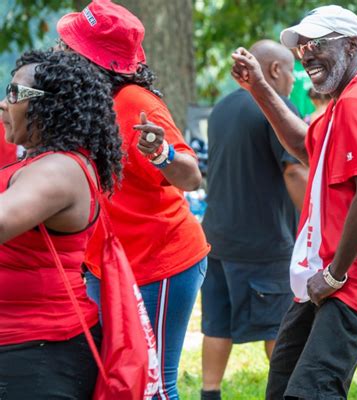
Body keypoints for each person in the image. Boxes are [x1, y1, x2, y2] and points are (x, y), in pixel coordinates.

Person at [231, 5, 357, 399]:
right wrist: (260, 87)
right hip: (333, 277)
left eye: (317, 44)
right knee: (283, 382)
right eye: (301, 48)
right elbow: (304, 146)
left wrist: (335, 273)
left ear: (351, 45)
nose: (306, 54)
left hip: (356, 278)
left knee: (311, 391)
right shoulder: (348, 99)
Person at [56, 2, 210, 399]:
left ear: (91, 61)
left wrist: (162, 154)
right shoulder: (82, 105)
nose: (60, 50)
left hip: (158, 264)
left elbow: (191, 175)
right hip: (105, 264)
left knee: (153, 383)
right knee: (117, 377)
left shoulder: (135, 104)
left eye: (69, 46)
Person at [0, 50, 122, 399]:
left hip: (39, 354)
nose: (4, 104)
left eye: (14, 94)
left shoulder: (60, 169)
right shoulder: (41, 162)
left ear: (52, 106)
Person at [200, 39, 308, 400]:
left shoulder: (222, 108)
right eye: (292, 70)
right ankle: (286, 394)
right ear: (275, 70)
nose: (294, 80)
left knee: (217, 324)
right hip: (263, 243)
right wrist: (314, 220)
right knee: (280, 329)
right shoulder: (276, 107)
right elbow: (293, 171)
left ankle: (209, 392)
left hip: (216, 238)